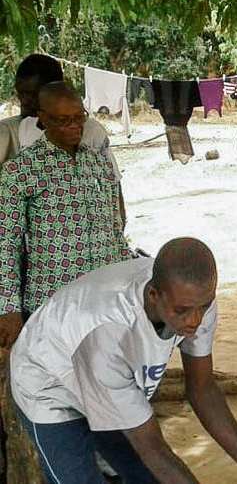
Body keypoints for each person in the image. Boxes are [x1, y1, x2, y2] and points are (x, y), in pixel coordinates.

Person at [10, 237, 237, 484]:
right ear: (154, 295)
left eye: (203, 307)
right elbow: (152, 449)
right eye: (182, 311)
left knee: (148, 475)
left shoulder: (194, 297)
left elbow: (203, 389)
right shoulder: (108, 332)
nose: (195, 320)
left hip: (107, 381)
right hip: (49, 385)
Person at [0, 80, 131, 483]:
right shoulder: (20, 172)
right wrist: (7, 307)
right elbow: (5, 244)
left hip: (104, 302)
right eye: (63, 120)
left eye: (79, 118)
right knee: (59, 388)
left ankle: (108, 463)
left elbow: (115, 230)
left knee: (106, 380)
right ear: (42, 121)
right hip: (51, 304)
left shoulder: (97, 163)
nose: (75, 127)